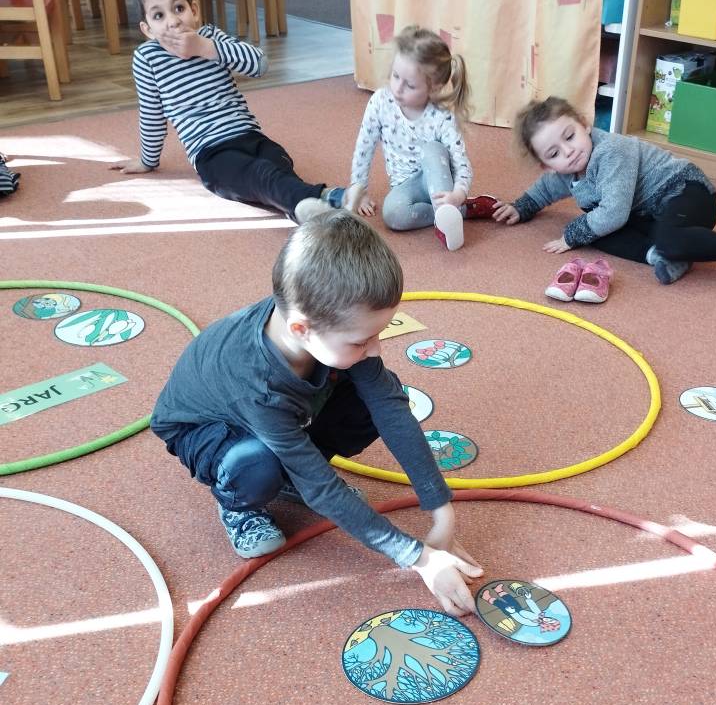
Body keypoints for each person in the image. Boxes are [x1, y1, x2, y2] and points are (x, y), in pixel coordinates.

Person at [150, 209, 483, 616]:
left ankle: (291, 473)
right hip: (204, 429)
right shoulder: (257, 383)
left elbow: (391, 411)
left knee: (378, 397)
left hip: (276, 412)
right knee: (257, 464)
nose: (376, 348)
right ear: (301, 330)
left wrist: (441, 509)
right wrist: (420, 558)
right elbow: (323, 489)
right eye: (362, 340)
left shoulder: (325, 319)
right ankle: (238, 504)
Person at [490, 96, 716, 293]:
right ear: (546, 166)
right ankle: (663, 257)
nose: (569, 151)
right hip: (648, 212)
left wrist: (570, 235)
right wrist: (522, 207)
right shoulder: (565, 171)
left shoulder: (611, 151)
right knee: (598, 233)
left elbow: (613, 213)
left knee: (605, 226)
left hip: (685, 192)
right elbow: (546, 190)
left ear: (584, 124)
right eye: (554, 153)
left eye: (570, 136)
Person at [110, 0, 337, 223]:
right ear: (148, 29)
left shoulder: (211, 37)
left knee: (277, 163)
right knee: (258, 174)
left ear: (194, 10)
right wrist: (147, 160)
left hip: (251, 137)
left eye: (178, 9)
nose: (173, 21)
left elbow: (259, 65)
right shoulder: (147, 59)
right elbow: (152, 113)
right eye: (159, 16)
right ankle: (327, 198)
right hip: (211, 154)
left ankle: (308, 210)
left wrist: (205, 47)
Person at [338, 25, 497, 251]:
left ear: (434, 87)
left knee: (432, 149)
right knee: (392, 214)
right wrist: (359, 189)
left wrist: (458, 194)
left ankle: (447, 216)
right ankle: (459, 212)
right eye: (395, 76)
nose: (398, 88)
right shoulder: (380, 102)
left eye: (410, 85)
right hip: (405, 186)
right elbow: (364, 147)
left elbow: (462, 164)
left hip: (439, 182)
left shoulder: (441, 117)